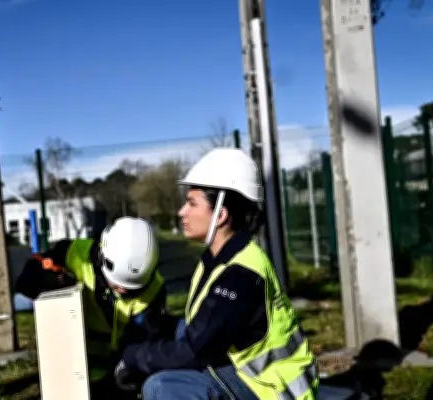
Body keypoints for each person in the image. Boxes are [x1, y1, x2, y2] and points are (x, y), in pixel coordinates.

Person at [114, 148, 319, 400]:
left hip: (275, 390)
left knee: (163, 386)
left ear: (220, 215)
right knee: (177, 334)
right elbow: (199, 327)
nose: (181, 212)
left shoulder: (239, 275)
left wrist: (132, 358)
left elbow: (193, 350)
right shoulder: (222, 257)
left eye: (191, 203)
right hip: (253, 376)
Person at [14, 216, 172, 398]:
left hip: (118, 365)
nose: (122, 290)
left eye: (131, 289)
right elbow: (25, 280)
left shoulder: (154, 292)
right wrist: (46, 280)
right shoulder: (74, 254)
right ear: (102, 257)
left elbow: (143, 346)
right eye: (118, 284)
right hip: (72, 358)